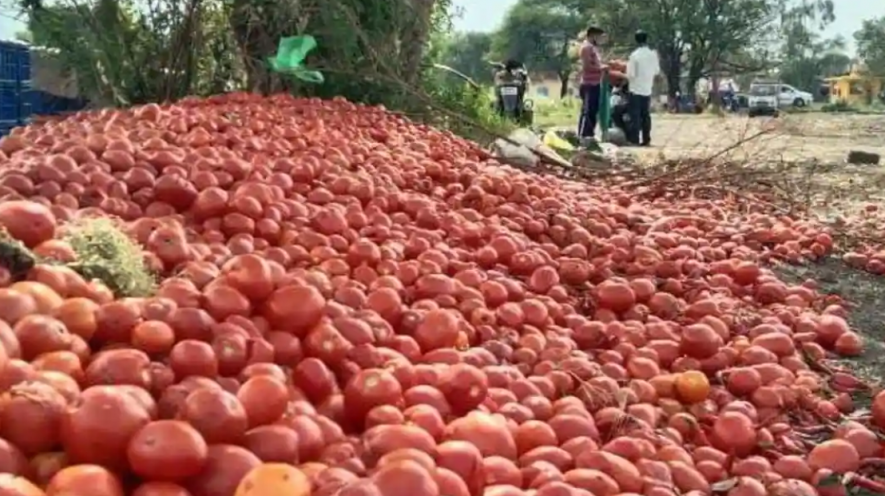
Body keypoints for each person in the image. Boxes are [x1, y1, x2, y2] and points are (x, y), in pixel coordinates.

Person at [626, 30, 660, 146]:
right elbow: (656, 71)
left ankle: (634, 139)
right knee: (645, 115)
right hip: (647, 88)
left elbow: (631, 74)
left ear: (636, 40)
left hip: (635, 88)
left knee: (635, 115)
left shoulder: (634, 55)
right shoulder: (653, 54)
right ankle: (646, 139)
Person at [577, 26, 606, 140]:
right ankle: (584, 135)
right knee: (588, 111)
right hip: (589, 83)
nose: (600, 39)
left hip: (595, 82)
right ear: (593, 35)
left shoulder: (593, 48)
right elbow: (587, 66)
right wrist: (601, 69)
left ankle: (589, 134)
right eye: (599, 36)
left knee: (593, 110)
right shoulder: (586, 48)